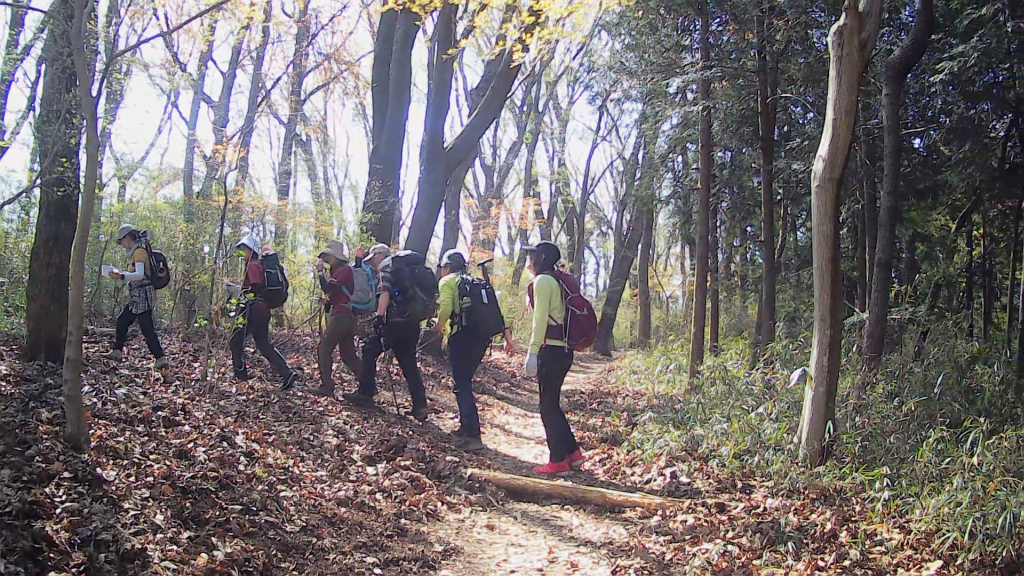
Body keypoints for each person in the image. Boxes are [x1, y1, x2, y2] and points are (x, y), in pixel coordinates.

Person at [433, 249, 515, 451]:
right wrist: (507, 338)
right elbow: (495, 312)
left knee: (462, 384)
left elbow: (445, 308)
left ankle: (473, 435)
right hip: (481, 338)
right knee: (464, 382)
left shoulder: (448, 281)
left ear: (447, 266)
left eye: (443, 267)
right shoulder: (475, 282)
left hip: (461, 336)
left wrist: (438, 327)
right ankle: (465, 428)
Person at [342, 244, 428, 422]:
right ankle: (420, 406)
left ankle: (365, 393)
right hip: (412, 324)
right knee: (409, 364)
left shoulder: (387, 268)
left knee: (369, 350)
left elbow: (385, 294)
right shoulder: (409, 272)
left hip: (393, 323)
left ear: (380, 255)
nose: (373, 263)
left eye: (373, 259)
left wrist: (379, 317)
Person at [524, 241, 584, 476]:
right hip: (564, 351)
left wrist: (532, 351)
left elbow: (540, 321)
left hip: (550, 351)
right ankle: (573, 453)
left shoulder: (542, 282)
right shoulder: (557, 280)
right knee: (552, 404)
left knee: (546, 407)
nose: (529, 261)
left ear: (541, 258)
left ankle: (557, 460)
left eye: (532, 256)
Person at [229, 237, 299, 390]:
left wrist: (238, 290)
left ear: (251, 251)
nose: (242, 253)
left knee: (235, 340)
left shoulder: (252, 265)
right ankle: (287, 374)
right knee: (263, 345)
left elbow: (256, 287)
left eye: (244, 249)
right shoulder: (259, 265)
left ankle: (240, 376)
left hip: (253, 308)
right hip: (263, 310)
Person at [105, 225, 169, 373]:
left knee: (147, 328)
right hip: (137, 295)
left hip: (143, 294)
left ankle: (160, 358)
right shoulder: (137, 251)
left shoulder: (139, 251)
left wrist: (122, 275)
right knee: (123, 320)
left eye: (122, 240)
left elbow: (140, 274)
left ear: (128, 237)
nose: (122, 244)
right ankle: (117, 351)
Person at [312, 240, 362, 397]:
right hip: (347, 316)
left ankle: (327, 386)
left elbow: (327, 287)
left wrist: (320, 272)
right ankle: (367, 385)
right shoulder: (340, 271)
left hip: (342, 317)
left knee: (324, 348)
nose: (326, 259)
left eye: (328, 256)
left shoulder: (343, 270)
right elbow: (336, 293)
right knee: (347, 355)